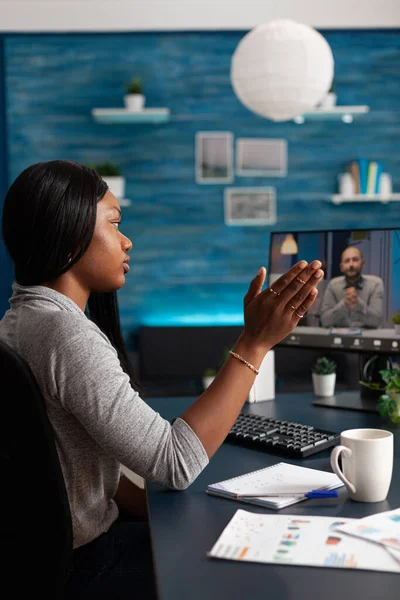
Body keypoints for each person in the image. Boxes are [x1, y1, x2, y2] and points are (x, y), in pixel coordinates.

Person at [0, 160, 323, 599]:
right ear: (71, 232)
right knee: (272, 581)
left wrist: (164, 516)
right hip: (87, 566)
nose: (126, 241)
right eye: (114, 224)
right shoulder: (64, 334)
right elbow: (175, 461)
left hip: (55, 560)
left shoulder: (21, 321)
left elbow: (86, 467)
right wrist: (254, 344)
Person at [319, 245, 384, 329]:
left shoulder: (375, 284)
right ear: (341, 267)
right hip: (338, 338)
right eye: (347, 261)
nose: (351, 264)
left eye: (355, 260)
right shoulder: (333, 285)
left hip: (367, 338)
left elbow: (376, 321)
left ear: (362, 263)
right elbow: (325, 321)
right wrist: (344, 304)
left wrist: (358, 303)